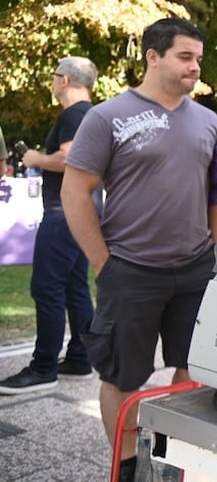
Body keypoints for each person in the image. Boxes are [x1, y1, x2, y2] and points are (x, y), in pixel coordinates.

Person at [61, 17, 217, 482]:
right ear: (152, 57)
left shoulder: (209, 122)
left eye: (198, 58)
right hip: (130, 271)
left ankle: (175, 459)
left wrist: (216, 258)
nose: (195, 67)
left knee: (194, 370)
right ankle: (127, 465)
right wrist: (104, 263)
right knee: (121, 377)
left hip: (195, 270)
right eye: (185, 56)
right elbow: (75, 193)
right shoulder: (107, 117)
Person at [0, 57, 100, 394]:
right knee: (74, 288)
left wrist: (36, 159)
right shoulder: (95, 115)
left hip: (64, 211)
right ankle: (80, 358)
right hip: (84, 211)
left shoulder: (74, 114)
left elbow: (71, 156)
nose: (53, 81)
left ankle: (43, 367)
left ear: (67, 80)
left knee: (47, 287)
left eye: (55, 75)